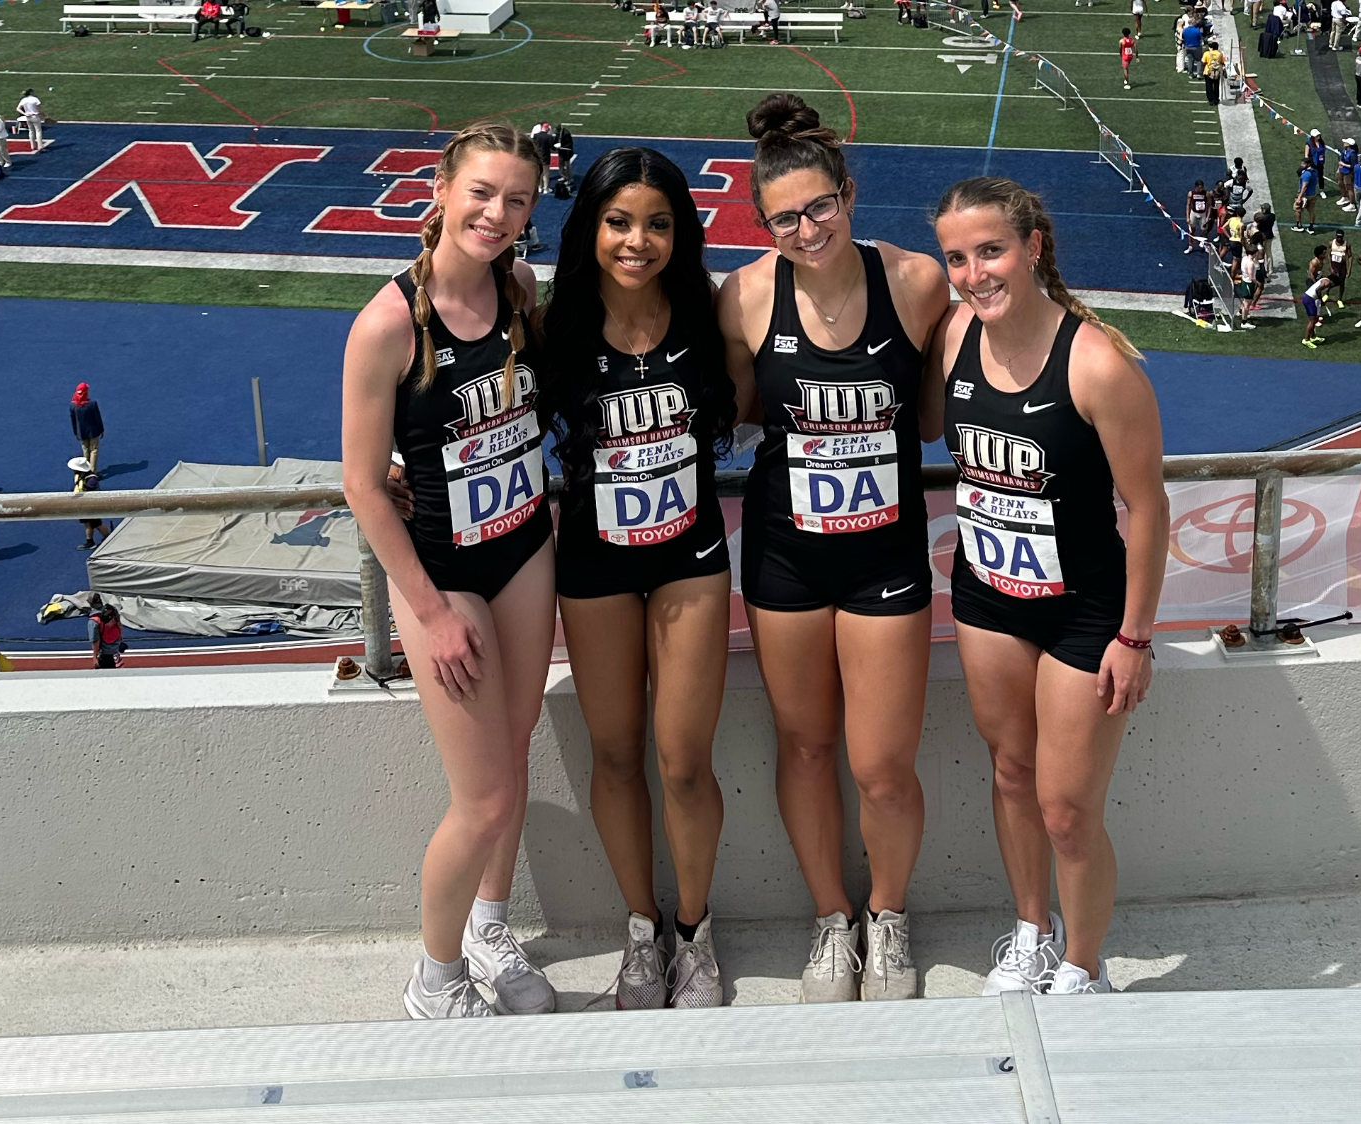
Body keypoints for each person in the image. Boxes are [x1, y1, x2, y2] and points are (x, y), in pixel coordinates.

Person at [716, 93, 951, 1003]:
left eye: (821, 207)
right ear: (762, 223)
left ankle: (888, 917)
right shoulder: (743, 295)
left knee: (882, 764)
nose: (807, 228)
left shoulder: (915, 282)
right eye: (786, 217)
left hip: (887, 552)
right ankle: (830, 919)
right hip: (784, 554)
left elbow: (940, 407)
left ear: (850, 195)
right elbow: (733, 409)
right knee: (805, 746)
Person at [928, 177, 1165, 998]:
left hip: (1084, 615)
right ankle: (1029, 933)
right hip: (988, 597)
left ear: (1032, 247)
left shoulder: (1098, 362)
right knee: (1012, 775)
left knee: (1066, 808)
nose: (972, 272)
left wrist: (1135, 638)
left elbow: (1146, 506)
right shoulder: (957, 334)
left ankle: (1083, 966)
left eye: (990, 251)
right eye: (956, 256)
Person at [342, 121, 554, 1021]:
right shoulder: (389, 323)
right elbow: (361, 484)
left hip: (524, 542)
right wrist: (426, 614)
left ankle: (489, 928)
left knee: (512, 755)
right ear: (440, 188)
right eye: (482, 192)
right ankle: (434, 980)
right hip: (444, 571)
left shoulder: (521, 287)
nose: (497, 213)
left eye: (516, 199)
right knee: (486, 794)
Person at [538, 147, 737, 1010]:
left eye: (658, 223)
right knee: (616, 754)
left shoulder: (709, 312)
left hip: (689, 557)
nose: (638, 240)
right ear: (590, 227)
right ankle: (641, 929)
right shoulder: (552, 326)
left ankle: (695, 932)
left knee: (683, 760)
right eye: (619, 221)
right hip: (592, 563)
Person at [71, 459, 110, 550]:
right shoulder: (80, 475)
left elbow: (89, 491)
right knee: (88, 523)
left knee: (97, 524)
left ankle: (109, 538)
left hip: (91, 505)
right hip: (83, 504)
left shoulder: (92, 479)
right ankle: (90, 541)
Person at [71, 382, 104, 469]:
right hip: (93, 432)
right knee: (94, 450)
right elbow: (98, 418)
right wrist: (101, 430)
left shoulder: (73, 405)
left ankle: (85, 470)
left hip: (81, 433)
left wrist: (76, 433)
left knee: (85, 450)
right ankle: (92, 472)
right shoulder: (92, 404)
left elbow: (73, 421)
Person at [88, 595, 125, 669]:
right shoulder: (112, 610)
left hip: (104, 653)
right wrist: (121, 638)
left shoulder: (93, 621)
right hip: (115, 647)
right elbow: (119, 624)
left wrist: (95, 657)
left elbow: (95, 640)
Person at [1300, 271, 1332, 347]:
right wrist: (1321, 300)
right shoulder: (1327, 282)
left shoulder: (1324, 279)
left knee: (1314, 319)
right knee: (1312, 320)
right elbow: (1318, 290)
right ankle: (1306, 340)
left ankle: (1312, 337)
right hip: (1309, 299)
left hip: (1308, 298)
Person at [1184, 180, 1213, 250]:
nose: (1201, 189)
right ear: (1196, 187)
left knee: (1204, 230)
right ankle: (1190, 245)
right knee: (1192, 230)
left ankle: (1205, 244)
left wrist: (1208, 217)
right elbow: (1188, 205)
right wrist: (1188, 217)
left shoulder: (1206, 194)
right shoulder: (1191, 194)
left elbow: (1209, 205)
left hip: (1202, 214)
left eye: (1202, 187)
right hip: (1194, 213)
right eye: (1199, 188)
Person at [1293, 158, 1319, 234]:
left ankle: (1299, 226)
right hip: (1313, 194)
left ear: (1308, 164)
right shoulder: (1315, 171)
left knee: (1297, 209)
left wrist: (1299, 198)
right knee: (1311, 211)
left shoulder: (1306, 174)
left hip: (1305, 195)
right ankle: (1311, 227)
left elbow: (1304, 187)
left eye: (1303, 163)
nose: (1301, 165)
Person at [1326, 229, 1351, 306]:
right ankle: (1327, 294)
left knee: (1342, 283)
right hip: (1334, 266)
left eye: (1341, 237)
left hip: (1342, 267)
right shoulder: (1331, 243)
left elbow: (1350, 256)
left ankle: (1340, 299)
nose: (1339, 239)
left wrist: (1349, 269)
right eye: (1338, 237)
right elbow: (1329, 255)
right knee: (1331, 281)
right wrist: (1330, 267)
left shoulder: (1346, 245)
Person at [1201, 40, 1227, 105]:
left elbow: (1203, 62)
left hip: (1208, 71)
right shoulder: (1220, 54)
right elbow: (1222, 63)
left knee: (1209, 86)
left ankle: (1211, 100)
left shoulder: (1207, 53)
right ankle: (1216, 99)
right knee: (1216, 85)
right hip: (1217, 72)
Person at [1335, 138, 1357, 209]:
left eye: (1345, 142)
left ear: (1349, 145)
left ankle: (1352, 204)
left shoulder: (1353, 154)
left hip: (1348, 173)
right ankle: (1344, 197)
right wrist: (1339, 168)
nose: (1344, 143)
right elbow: (1341, 160)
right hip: (1342, 170)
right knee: (1340, 183)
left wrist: (1343, 165)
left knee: (1349, 188)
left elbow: (1353, 166)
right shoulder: (1344, 151)